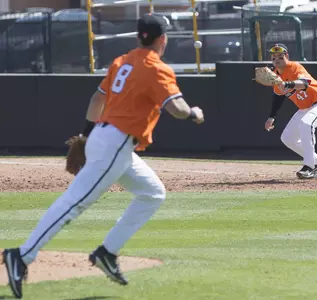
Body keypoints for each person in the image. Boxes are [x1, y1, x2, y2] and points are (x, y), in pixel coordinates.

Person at [2, 14, 204, 299]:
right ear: (163, 39)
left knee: (152, 193)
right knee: (74, 203)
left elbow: (97, 99)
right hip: (117, 144)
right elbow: (178, 109)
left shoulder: (122, 61)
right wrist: (195, 112)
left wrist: (86, 135)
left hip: (103, 135)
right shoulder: (156, 68)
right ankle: (22, 256)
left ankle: (106, 252)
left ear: (138, 37)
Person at [264, 44, 317, 179]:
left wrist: (287, 84)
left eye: (280, 56)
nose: (277, 59)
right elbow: (278, 96)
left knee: (306, 124)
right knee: (287, 138)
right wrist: (271, 116)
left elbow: (304, 83)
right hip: (305, 108)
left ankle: (309, 166)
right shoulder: (275, 76)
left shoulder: (294, 67)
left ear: (287, 57)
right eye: (274, 58)